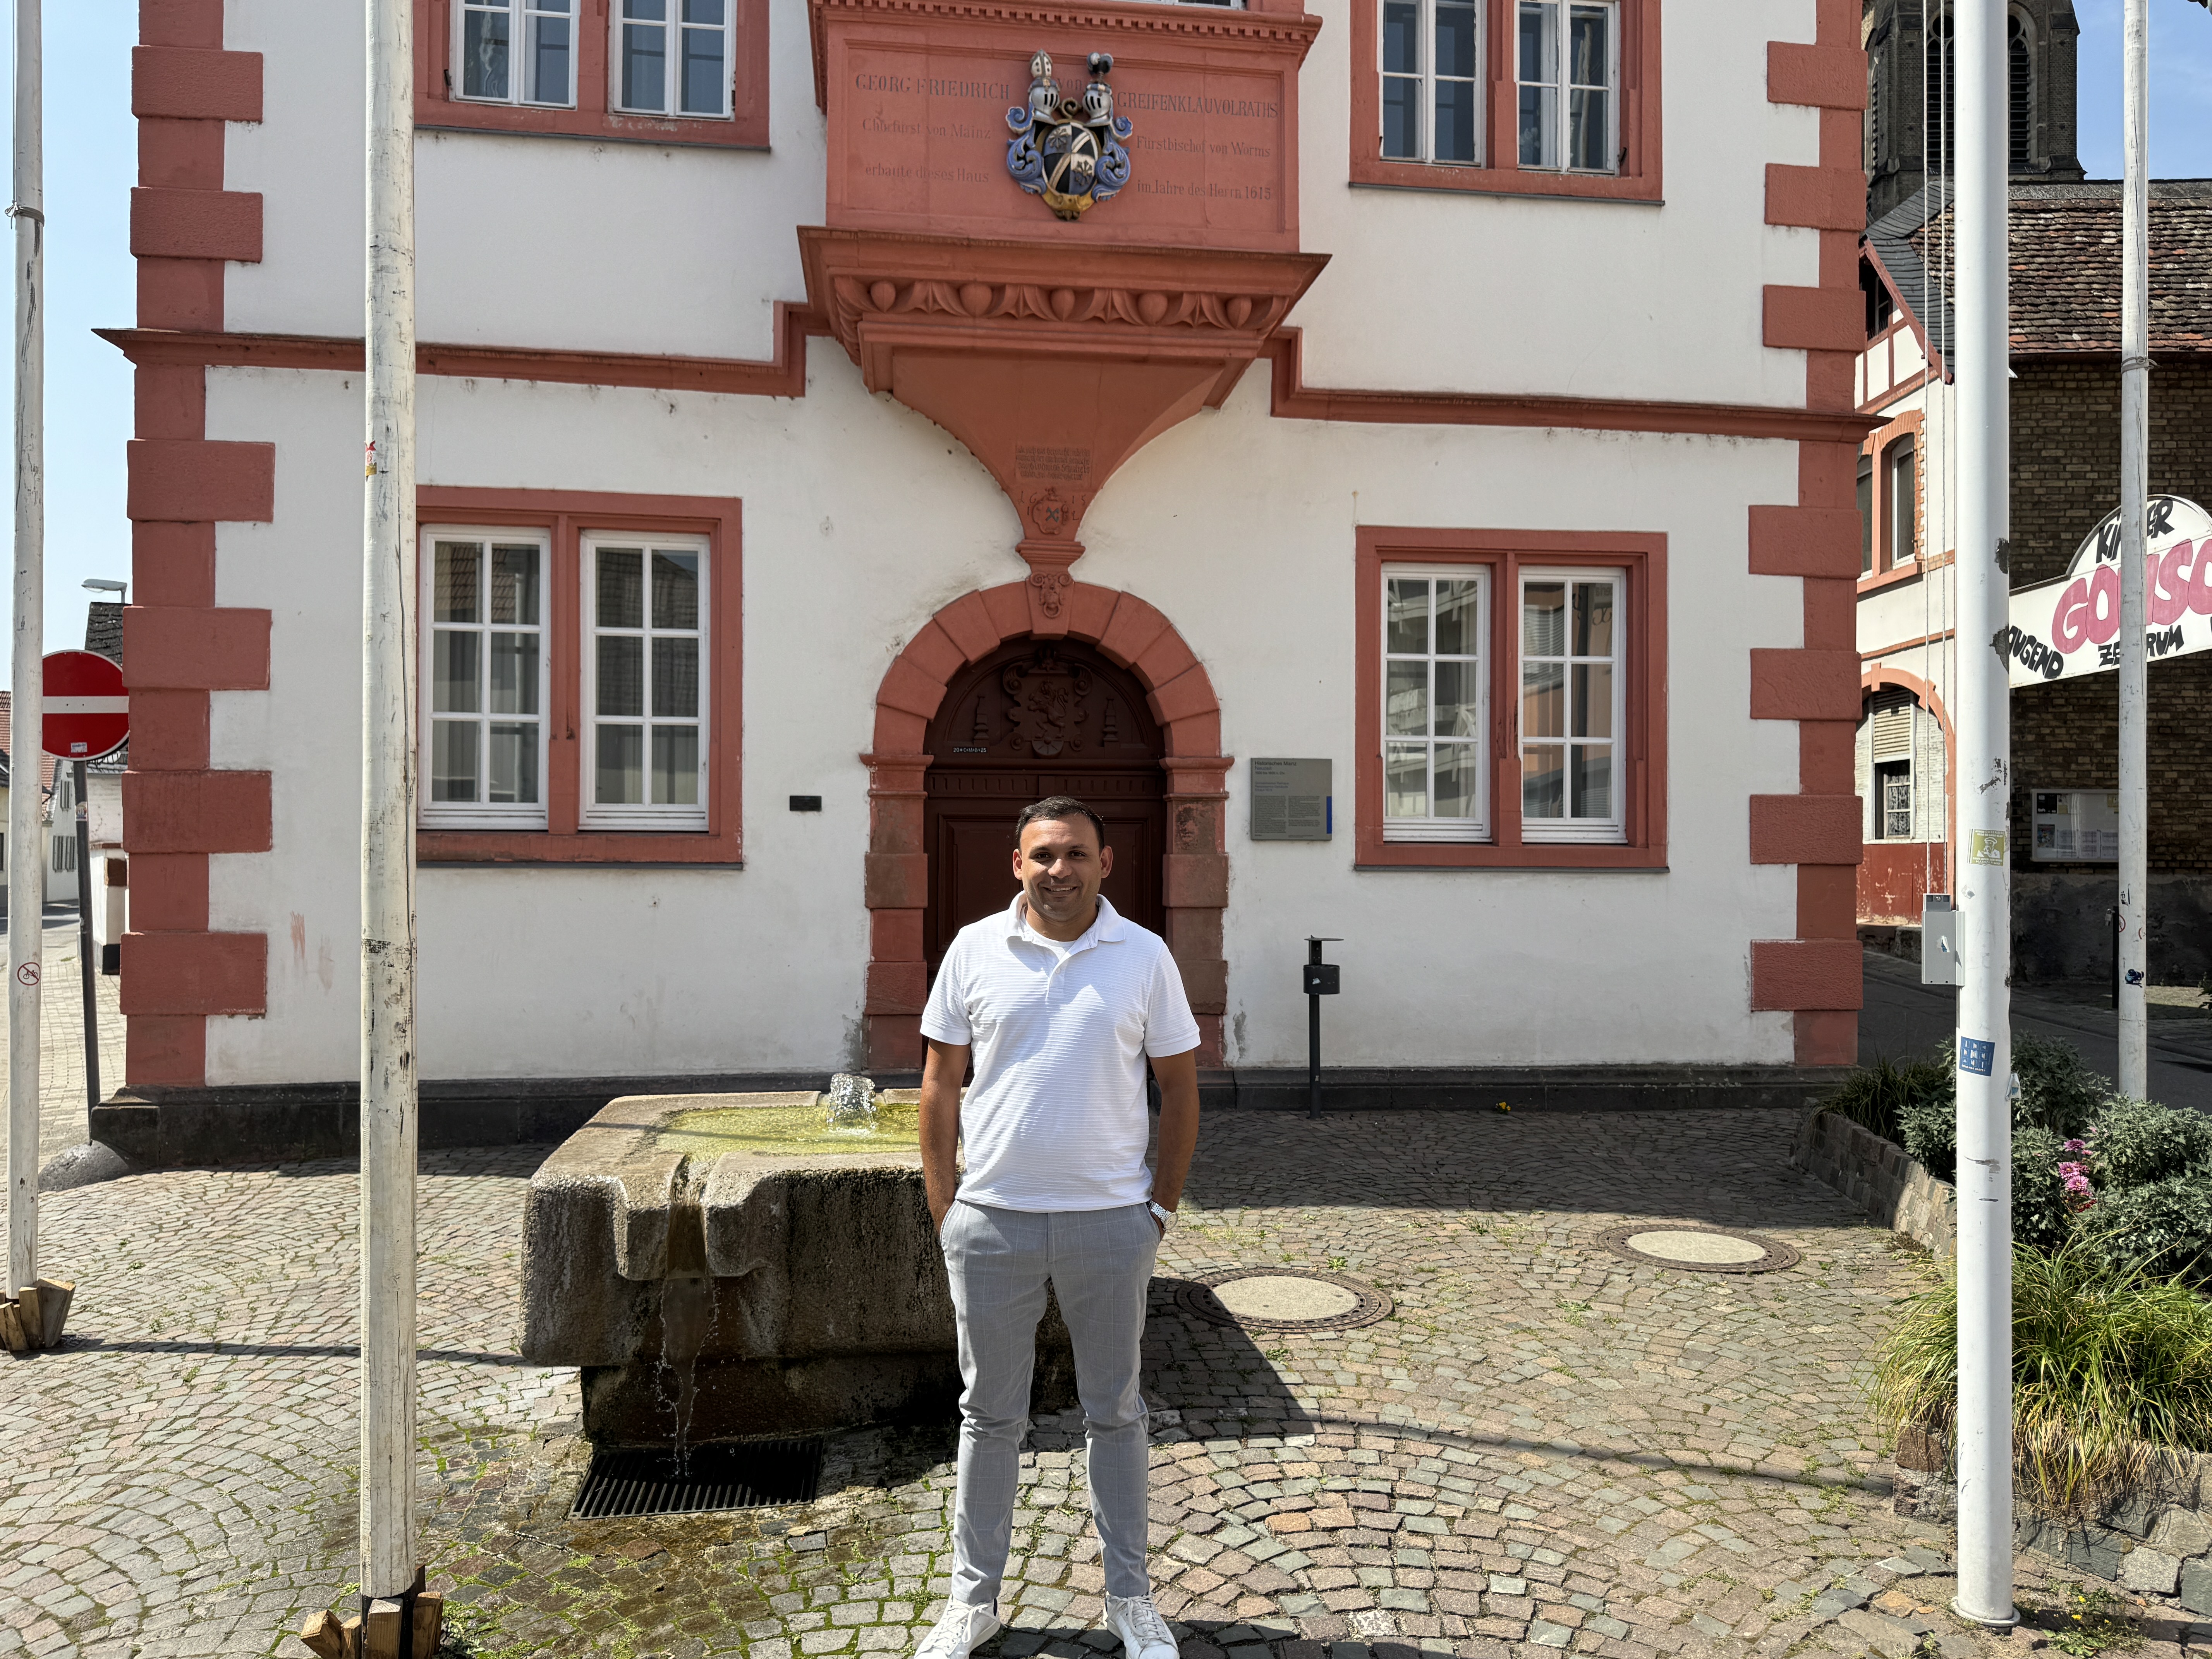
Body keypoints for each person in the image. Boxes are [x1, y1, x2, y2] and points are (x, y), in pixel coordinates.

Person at [914, 795, 1202, 1659]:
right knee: (987, 1416)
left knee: (1114, 1413)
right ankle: (973, 1601)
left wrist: (1159, 1207)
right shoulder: (973, 949)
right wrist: (945, 1204)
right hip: (993, 1221)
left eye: (1075, 853)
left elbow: (1180, 1089)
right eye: (1042, 855)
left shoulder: (1144, 957)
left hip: (1110, 1225)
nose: (1059, 870)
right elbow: (938, 1083)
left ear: (1104, 863)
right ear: (1016, 864)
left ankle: (1129, 1598)